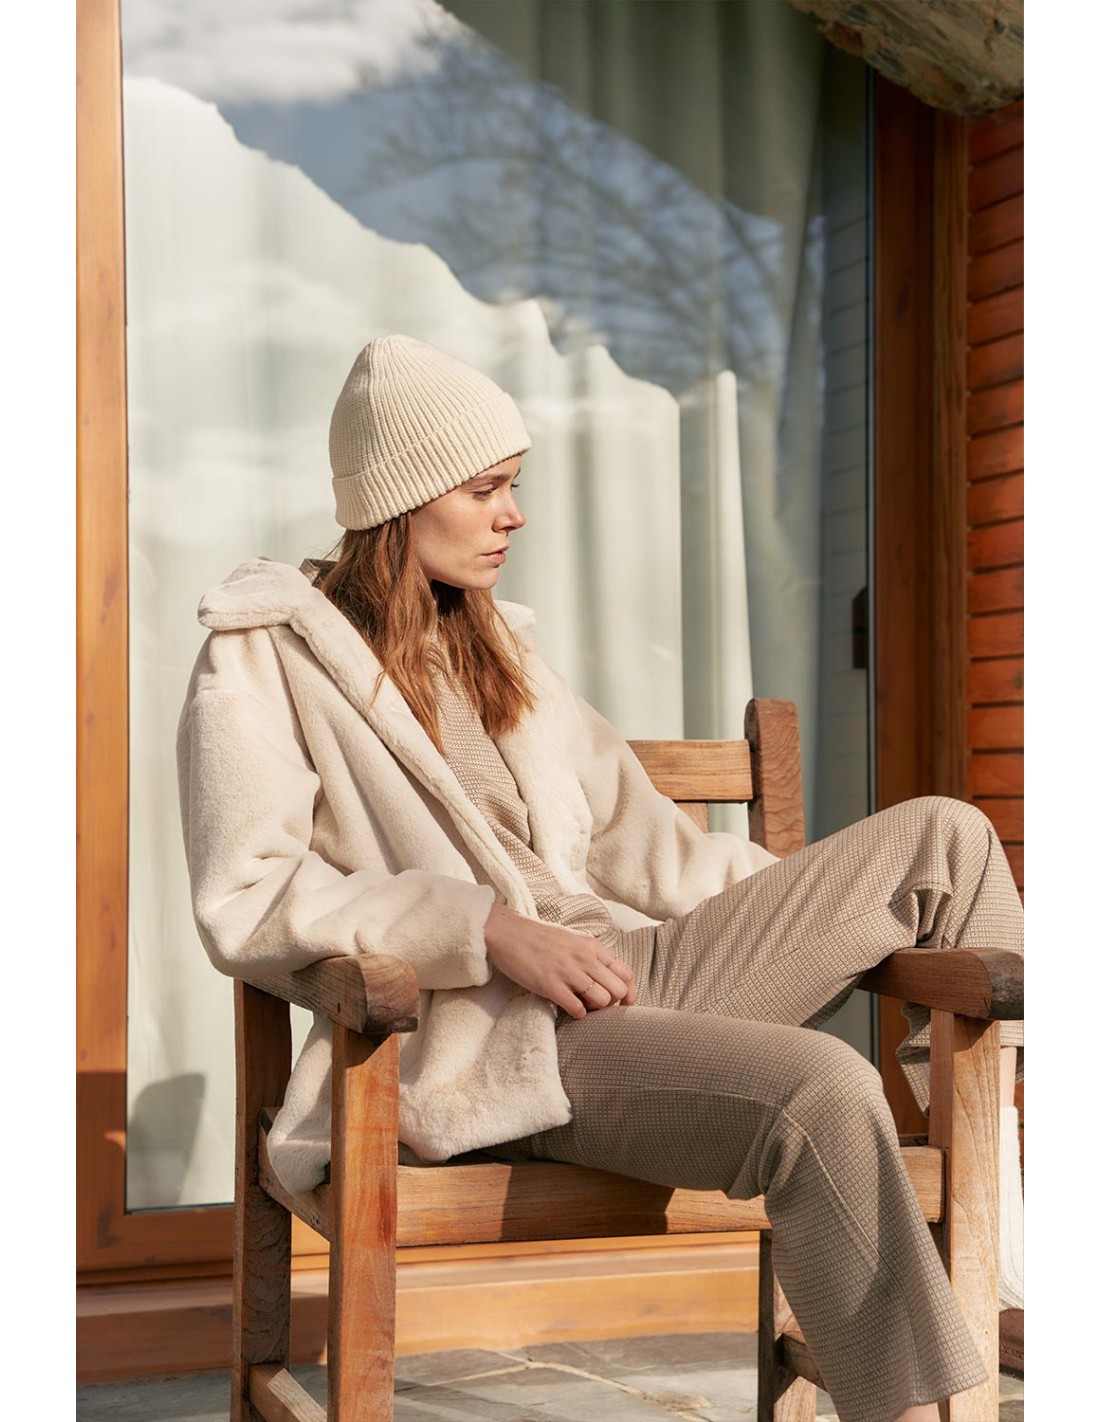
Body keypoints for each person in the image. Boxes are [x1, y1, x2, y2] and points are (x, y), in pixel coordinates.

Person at [177, 334, 1024, 1422]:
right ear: (400, 499)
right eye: (485, 489)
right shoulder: (263, 654)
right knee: (823, 1086)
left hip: (632, 971)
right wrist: (483, 927)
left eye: (514, 486)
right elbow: (247, 895)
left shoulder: (498, 650)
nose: (513, 516)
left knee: (948, 832)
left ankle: (1003, 1183)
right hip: (500, 1030)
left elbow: (651, 846)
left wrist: (802, 912)